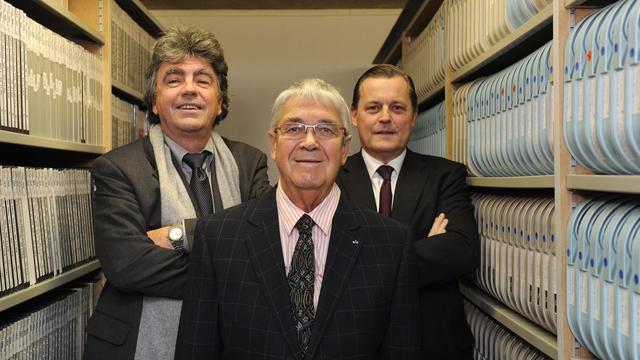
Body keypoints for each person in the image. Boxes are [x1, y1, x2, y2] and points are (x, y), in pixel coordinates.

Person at [175, 78, 421, 359]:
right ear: (274, 144)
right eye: (294, 129)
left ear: (344, 148)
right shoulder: (219, 238)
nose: (309, 142)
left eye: (326, 130)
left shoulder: (391, 244)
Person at [84, 27, 270, 360]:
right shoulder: (117, 168)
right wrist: (228, 264)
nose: (189, 90)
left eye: (202, 80)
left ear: (220, 101)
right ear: (154, 101)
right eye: (173, 79)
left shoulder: (249, 162)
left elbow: (266, 252)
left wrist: (180, 234)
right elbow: (127, 265)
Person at [336, 64, 479, 359]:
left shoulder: (445, 176)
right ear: (354, 115)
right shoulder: (332, 179)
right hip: (354, 344)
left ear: (414, 116)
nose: (385, 117)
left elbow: (461, 252)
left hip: (433, 345)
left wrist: (363, 264)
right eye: (373, 107)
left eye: (397, 108)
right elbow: (325, 260)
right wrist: (425, 248)